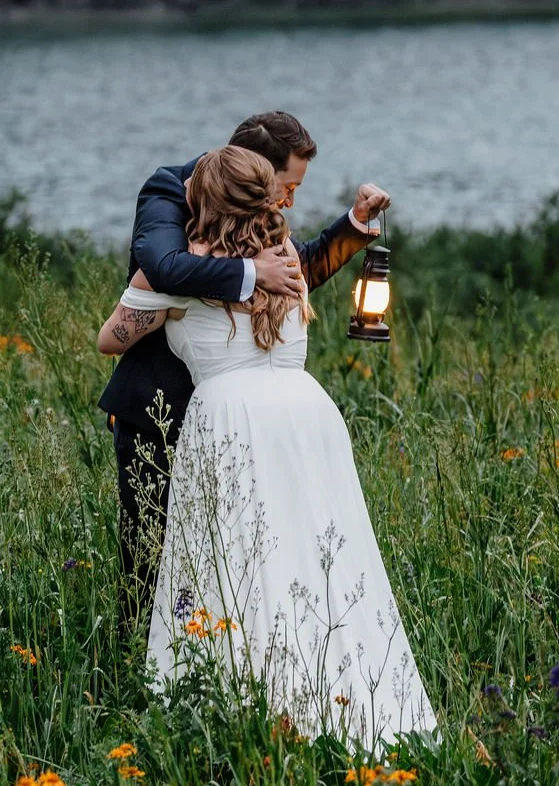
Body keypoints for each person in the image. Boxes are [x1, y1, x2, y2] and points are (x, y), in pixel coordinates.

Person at [98, 146, 436, 747]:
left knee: (233, 566)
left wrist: (151, 299)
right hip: (308, 417)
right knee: (316, 560)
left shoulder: (177, 271)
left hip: (231, 418)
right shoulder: (287, 262)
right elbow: (303, 260)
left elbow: (109, 340)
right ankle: (347, 702)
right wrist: (353, 227)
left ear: (201, 200)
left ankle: (242, 708)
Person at [99, 111, 389, 619]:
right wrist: (253, 272)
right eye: (286, 188)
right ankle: (136, 676)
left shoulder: (267, 239)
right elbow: (165, 268)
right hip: (159, 409)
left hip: (249, 426)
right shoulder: (171, 189)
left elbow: (292, 272)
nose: (286, 202)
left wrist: (354, 226)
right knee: (150, 565)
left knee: (255, 564)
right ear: (253, 171)